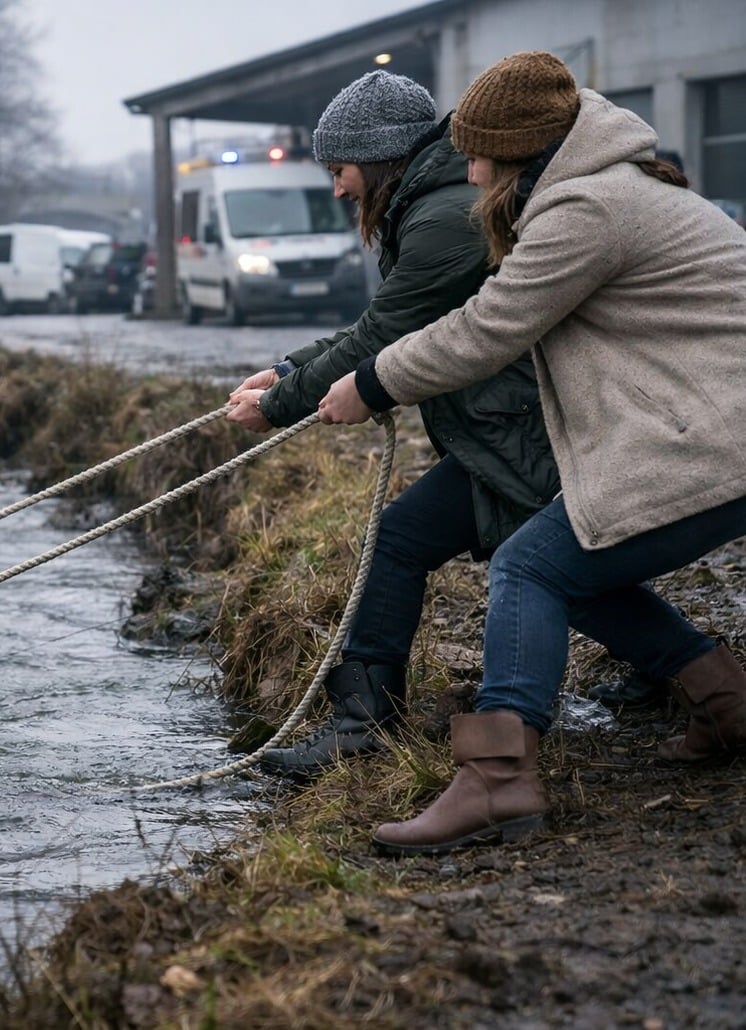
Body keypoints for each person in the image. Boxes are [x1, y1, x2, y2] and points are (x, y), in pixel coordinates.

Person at [315, 51, 746, 854]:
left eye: (478, 155)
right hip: (707, 426)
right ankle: (724, 703)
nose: (470, 173)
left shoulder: (587, 210)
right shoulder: (606, 189)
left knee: (530, 565)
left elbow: (488, 328)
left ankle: (499, 783)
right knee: (570, 564)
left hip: (715, 437)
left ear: (521, 154)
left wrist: (369, 383)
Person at [225, 69, 559, 776]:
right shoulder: (434, 205)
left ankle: (362, 726)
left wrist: (279, 406)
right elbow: (382, 325)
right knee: (563, 565)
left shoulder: (444, 219)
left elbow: (382, 336)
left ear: (379, 159)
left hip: (522, 431)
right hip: (511, 425)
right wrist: (287, 372)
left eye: (342, 170)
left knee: (497, 559)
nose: (340, 188)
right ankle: (695, 681)